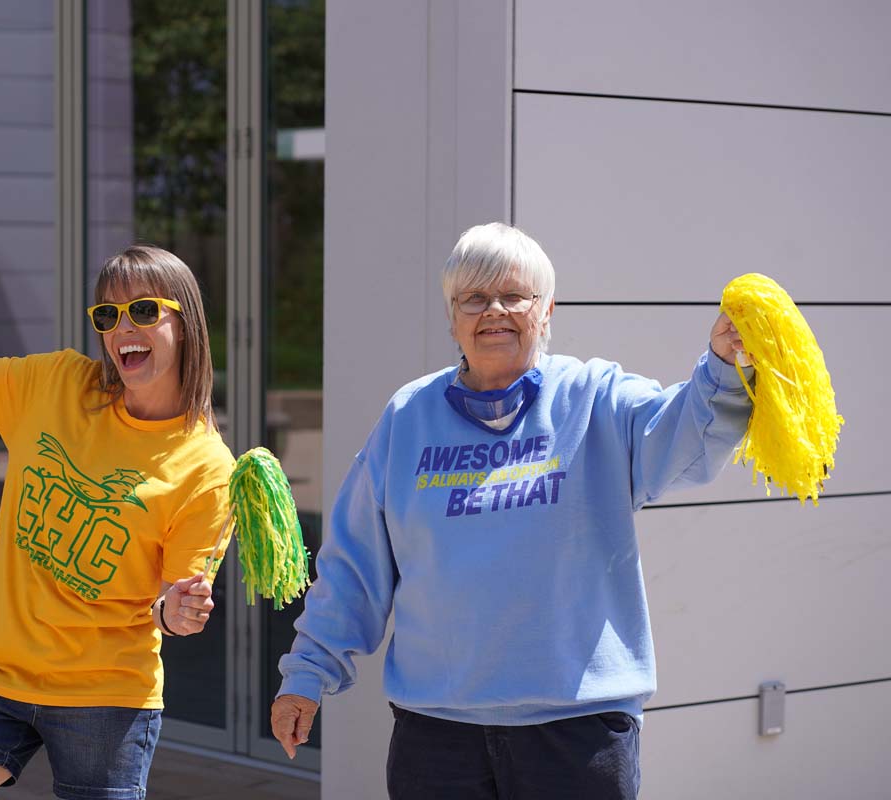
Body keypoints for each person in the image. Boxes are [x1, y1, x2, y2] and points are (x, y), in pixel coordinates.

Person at [270, 222, 752, 799]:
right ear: (453, 319)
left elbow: (682, 441)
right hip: (438, 736)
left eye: (514, 296)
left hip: (576, 734)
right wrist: (307, 671)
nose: (493, 310)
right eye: (473, 298)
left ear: (546, 310)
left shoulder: (594, 396)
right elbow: (354, 565)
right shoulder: (407, 417)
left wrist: (722, 367)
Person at [0, 213, 234, 800]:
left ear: (186, 324)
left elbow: (167, 602)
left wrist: (178, 612)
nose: (122, 327)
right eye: (107, 315)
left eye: (144, 311)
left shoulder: (207, 467)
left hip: (103, 695)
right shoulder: (58, 384)